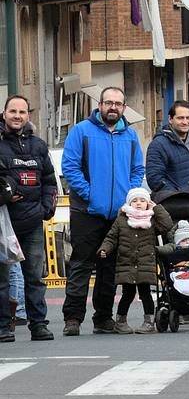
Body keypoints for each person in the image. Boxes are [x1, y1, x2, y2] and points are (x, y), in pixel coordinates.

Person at [61, 86, 145, 336]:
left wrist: (128, 197)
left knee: (109, 269)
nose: (113, 107)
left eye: (118, 104)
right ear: (100, 105)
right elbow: (70, 167)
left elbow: (137, 170)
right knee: (81, 265)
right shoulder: (81, 131)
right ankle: (73, 318)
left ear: (123, 108)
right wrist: (90, 195)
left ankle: (103, 318)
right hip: (86, 212)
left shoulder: (129, 135)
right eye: (108, 102)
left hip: (118, 216)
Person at [0, 95, 58, 342]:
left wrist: (47, 209)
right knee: (2, 280)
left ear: (28, 115)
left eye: (22, 112)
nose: (17, 116)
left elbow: (49, 181)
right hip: (3, 221)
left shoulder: (39, 145)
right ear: (4, 114)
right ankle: (3, 327)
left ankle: (39, 325)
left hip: (33, 222)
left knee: (34, 278)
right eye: (12, 111)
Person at [97, 186, 174, 333]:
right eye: (135, 201)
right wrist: (104, 249)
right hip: (127, 264)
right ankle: (120, 321)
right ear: (129, 203)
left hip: (145, 264)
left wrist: (156, 208)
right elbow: (111, 238)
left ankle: (149, 322)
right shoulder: (121, 221)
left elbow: (167, 225)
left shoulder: (151, 221)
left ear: (148, 203)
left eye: (142, 200)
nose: (138, 203)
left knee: (146, 294)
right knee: (127, 294)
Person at [145, 100, 189, 197]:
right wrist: (179, 197)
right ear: (170, 119)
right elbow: (154, 179)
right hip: (174, 206)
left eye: (188, 118)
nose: (185, 122)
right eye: (180, 118)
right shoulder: (158, 144)